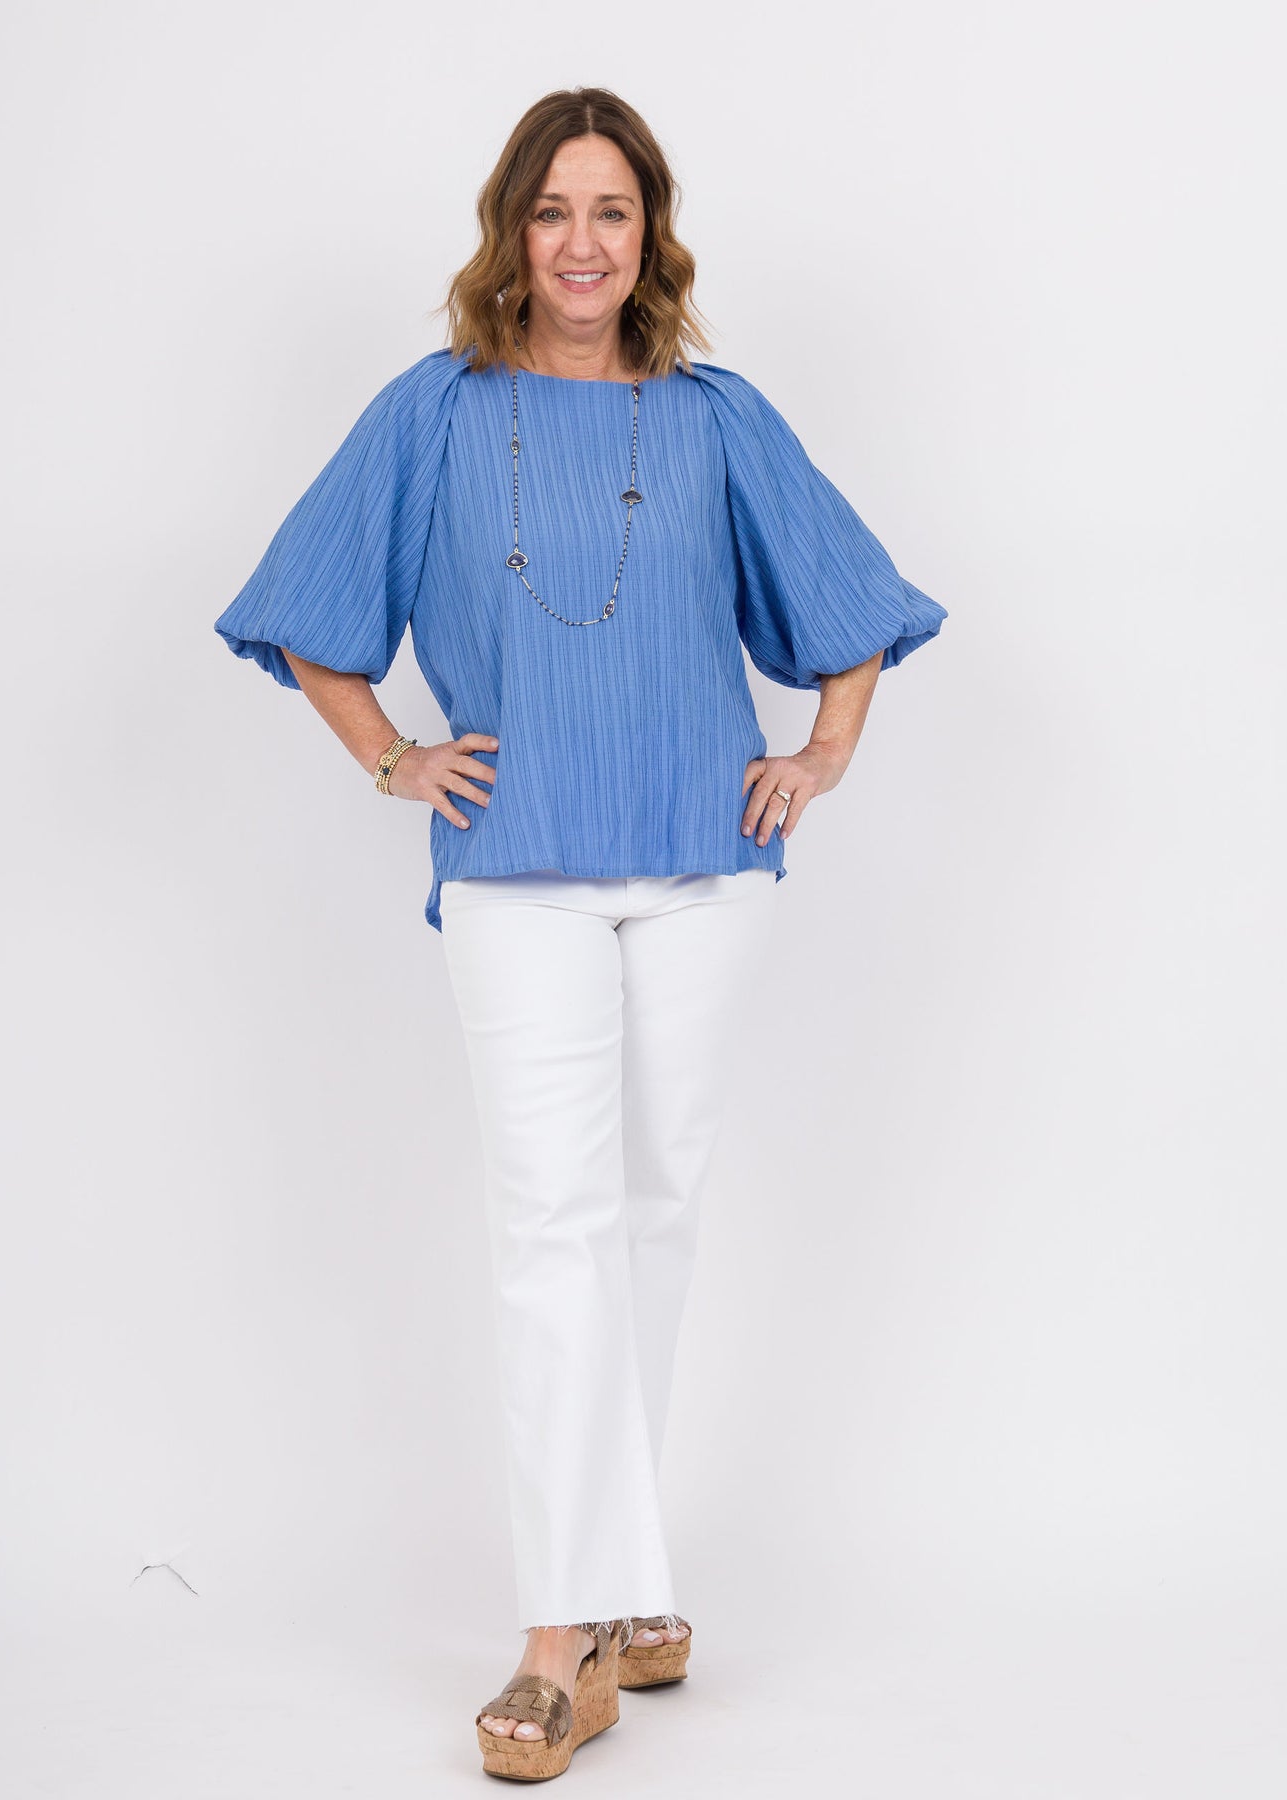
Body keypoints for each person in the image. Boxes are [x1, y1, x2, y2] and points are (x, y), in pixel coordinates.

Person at [213, 86, 947, 1782]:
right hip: (514, 867)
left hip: (701, 863)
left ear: (650, 234)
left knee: (654, 1213)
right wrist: (392, 754)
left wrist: (823, 754)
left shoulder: (715, 418)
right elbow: (308, 606)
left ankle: (624, 1584)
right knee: (553, 1221)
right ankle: (563, 1640)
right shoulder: (433, 413)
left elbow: (850, 602)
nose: (582, 243)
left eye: (612, 211)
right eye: (553, 211)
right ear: (512, 232)